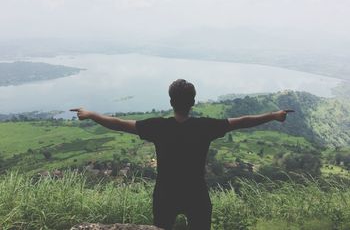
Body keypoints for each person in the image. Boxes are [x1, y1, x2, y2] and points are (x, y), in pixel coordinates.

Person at [71, 79, 293, 230]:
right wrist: (274, 115)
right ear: (193, 102)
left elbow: (118, 124)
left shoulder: (158, 127)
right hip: (196, 192)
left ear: (171, 102)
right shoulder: (205, 127)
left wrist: (91, 114)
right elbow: (244, 121)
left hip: (165, 193)